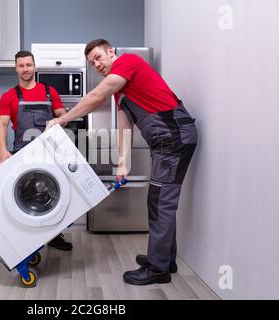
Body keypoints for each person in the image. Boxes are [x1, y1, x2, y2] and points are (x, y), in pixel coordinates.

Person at [46, 39, 198, 285]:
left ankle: (158, 269)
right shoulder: (121, 92)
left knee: (160, 202)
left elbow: (97, 96)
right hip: (166, 140)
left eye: (98, 57)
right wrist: (122, 164)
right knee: (160, 201)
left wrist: (64, 119)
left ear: (111, 51)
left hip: (173, 137)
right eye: (91, 62)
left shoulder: (128, 62)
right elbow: (124, 128)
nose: (96, 64)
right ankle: (164, 259)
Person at [0, 50, 73, 251]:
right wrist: (3, 151)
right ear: (16, 68)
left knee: (55, 192)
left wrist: (58, 121)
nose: (25, 69)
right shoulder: (8, 96)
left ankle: (55, 236)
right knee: (26, 195)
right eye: (21, 65)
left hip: (50, 152)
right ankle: (29, 240)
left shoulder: (50, 92)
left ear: (34, 66)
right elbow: (2, 124)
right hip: (22, 152)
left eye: (28, 65)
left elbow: (63, 117)